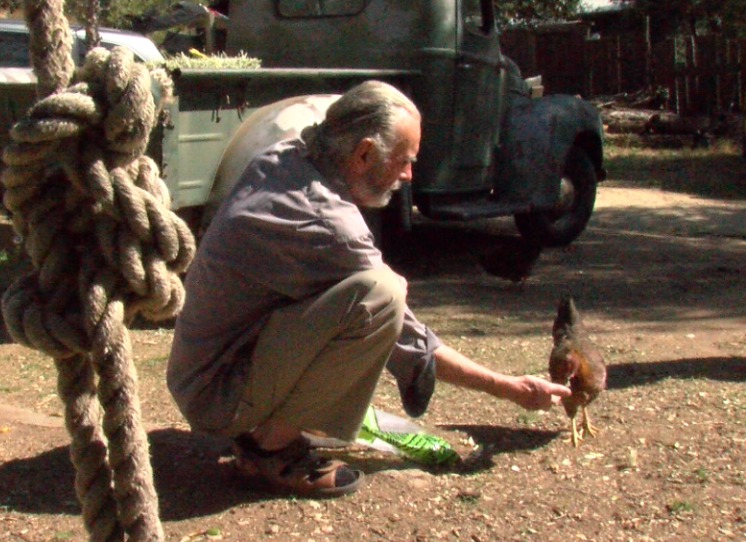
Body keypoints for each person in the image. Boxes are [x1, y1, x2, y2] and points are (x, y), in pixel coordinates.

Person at [167, 80, 571, 498]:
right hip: (216, 396)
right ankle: (269, 449)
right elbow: (408, 336)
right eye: (404, 161)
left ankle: (272, 422)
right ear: (362, 154)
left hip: (197, 374)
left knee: (377, 287)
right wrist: (508, 388)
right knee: (382, 295)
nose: (409, 175)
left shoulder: (285, 158)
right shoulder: (327, 222)